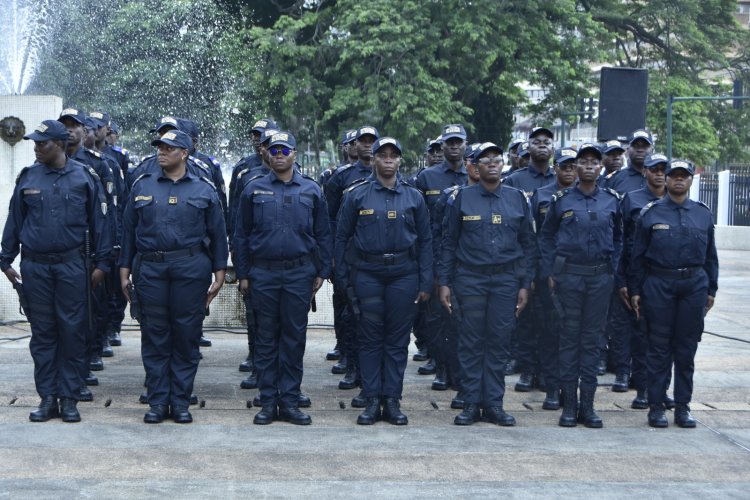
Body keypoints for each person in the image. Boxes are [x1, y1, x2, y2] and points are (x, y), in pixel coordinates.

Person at [1, 120, 111, 423]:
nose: (36, 148)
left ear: (60, 145)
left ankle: (69, 398)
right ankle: (48, 398)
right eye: (35, 143)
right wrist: (5, 261)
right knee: (43, 335)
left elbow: (101, 224)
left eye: (42, 143)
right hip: (35, 267)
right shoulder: (28, 177)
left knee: (73, 332)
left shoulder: (84, 178)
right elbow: (15, 221)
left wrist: (102, 264)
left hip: (72, 266)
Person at [119, 129, 228, 424]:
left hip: (191, 268)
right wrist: (124, 270)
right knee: (154, 336)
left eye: (169, 148)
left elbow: (218, 234)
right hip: (151, 269)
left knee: (186, 336)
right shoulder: (142, 185)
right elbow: (128, 230)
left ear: (184, 153)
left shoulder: (204, 189)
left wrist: (219, 273)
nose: (161, 152)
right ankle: (157, 402)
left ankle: (180, 402)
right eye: (159, 147)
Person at [234, 131, 332, 426]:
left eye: (284, 151)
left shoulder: (312, 190)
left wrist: (321, 271)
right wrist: (243, 274)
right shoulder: (253, 189)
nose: (279, 155)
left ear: (294, 154)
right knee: (266, 339)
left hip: (299, 273)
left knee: (293, 338)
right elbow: (241, 235)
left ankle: (289, 400)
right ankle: (267, 401)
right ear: (267, 154)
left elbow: (324, 234)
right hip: (263, 273)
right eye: (274, 150)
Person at [335, 137, 432, 425]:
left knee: (397, 340)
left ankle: (392, 400)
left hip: (403, 273)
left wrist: (426, 281)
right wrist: (342, 278)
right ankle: (371, 398)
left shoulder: (414, 197)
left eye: (393, 155)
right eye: (383, 155)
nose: (388, 159)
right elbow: (341, 237)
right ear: (374, 160)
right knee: (369, 338)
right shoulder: (356, 195)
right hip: (368, 273)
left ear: (400, 160)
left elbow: (426, 241)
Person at [438, 142, 535, 426]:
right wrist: (444, 282)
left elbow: (528, 245)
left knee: (499, 342)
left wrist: (525, 284)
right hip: (470, 279)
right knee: (471, 342)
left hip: (506, 280)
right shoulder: (461, 198)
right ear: (475, 167)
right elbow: (448, 243)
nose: (492, 163)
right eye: (485, 159)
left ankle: (493, 404)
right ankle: (470, 403)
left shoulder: (517, 198)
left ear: (503, 164)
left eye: (496, 158)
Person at [629, 159, 718, 429]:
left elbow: (710, 256)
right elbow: (637, 256)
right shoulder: (650, 213)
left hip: (693, 285)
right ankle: (656, 406)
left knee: (686, 349)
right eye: (674, 175)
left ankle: (682, 407)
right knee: (658, 348)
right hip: (659, 283)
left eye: (684, 176)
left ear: (691, 180)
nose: (679, 180)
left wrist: (711, 288)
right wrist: (635, 290)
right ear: (666, 180)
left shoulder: (702, 213)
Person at [540, 143, 622, 428]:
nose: (588, 165)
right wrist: (552, 270)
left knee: (592, 342)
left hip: (600, 278)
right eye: (583, 161)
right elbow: (547, 237)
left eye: (593, 162)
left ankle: (588, 406)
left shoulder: (612, 200)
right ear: (574, 168)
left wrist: (615, 268)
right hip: (569, 279)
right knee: (569, 340)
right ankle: (569, 407)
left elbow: (620, 237)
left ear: (601, 168)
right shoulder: (561, 200)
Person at [325, 125, 379, 392]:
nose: (367, 145)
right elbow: (330, 219)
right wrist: (334, 257)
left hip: (378, 260)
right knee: (349, 314)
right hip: (349, 259)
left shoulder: (391, 175)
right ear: (354, 146)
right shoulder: (341, 177)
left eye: (372, 140)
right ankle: (350, 363)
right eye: (363, 141)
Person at [610, 153, 668, 405]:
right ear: (645, 171)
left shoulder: (676, 201)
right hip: (633, 273)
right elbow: (620, 241)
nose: (659, 174)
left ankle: (655, 388)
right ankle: (629, 377)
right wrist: (621, 280)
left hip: (663, 278)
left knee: (658, 336)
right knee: (628, 329)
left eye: (663, 170)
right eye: (654, 169)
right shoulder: (631, 200)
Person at [528, 147, 578, 410]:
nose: (569, 170)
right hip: (549, 275)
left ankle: (570, 387)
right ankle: (551, 387)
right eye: (564, 165)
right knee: (549, 332)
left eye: (573, 165)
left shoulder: (591, 196)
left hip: (579, 274)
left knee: (574, 335)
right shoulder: (542, 195)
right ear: (555, 168)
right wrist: (540, 273)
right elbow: (535, 238)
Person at [504, 127, 556, 199]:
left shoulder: (560, 178)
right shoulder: (514, 180)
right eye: (536, 143)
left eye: (546, 143)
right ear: (528, 149)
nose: (542, 145)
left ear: (553, 150)